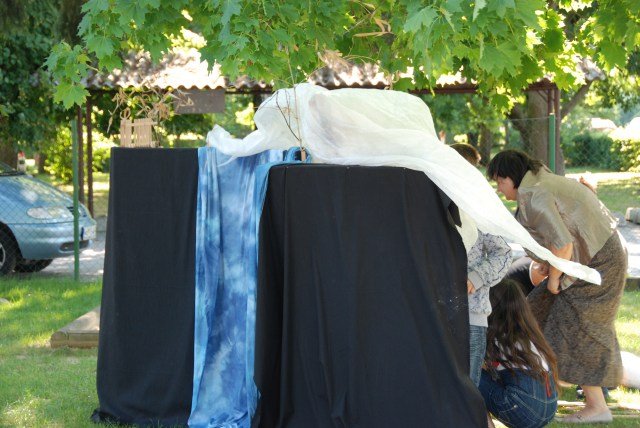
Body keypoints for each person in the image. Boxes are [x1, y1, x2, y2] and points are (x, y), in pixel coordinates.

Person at [487, 150, 626, 423]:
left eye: (499, 182)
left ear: (510, 177)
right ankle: (541, 384)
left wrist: (553, 280)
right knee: (534, 312)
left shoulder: (534, 193)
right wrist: (550, 266)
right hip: (592, 256)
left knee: (574, 323)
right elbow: (560, 236)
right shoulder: (537, 182)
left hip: (599, 259)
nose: (499, 188)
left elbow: (563, 244)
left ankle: (597, 406)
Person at [450, 143, 512, 388]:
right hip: (434, 313)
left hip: (471, 314)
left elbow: (503, 253)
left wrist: (475, 278)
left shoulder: (478, 209)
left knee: (468, 386)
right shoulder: (430, 205)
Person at [480, 279, 558, 428]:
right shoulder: (530, 335)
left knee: (470, 375)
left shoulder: (496, 336)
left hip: (522, 411)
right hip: (548, 410)